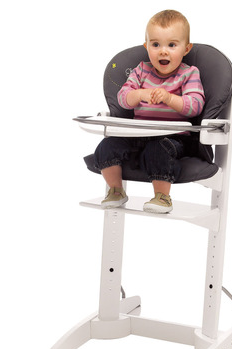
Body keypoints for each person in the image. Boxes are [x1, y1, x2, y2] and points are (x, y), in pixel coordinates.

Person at [94, 9, 205, 213]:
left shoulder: (188, 74)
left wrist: (170, 99)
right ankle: (116, 190)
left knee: (158, 150)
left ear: (186, 48)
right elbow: (122, 98)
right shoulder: (141, 71)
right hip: (137, 135)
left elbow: (195, 105)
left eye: (172, 45)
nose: (163, 51)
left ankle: (162, 197)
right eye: (155, 45)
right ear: (146, 47)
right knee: (106, 146)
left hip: (172, 137)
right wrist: (139, 94)